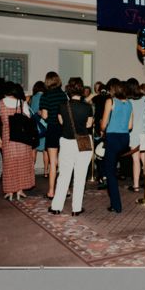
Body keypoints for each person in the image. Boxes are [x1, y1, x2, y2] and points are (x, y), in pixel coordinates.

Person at [48, 77, 93, 216]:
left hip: (67, 142)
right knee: (80, 177)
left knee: (64, 175)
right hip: (84, 141)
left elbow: (61, 122)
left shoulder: (63, 105)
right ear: (82, 90)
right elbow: (89, 125)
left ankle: (56, 206)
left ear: (68, 89)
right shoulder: (87, 107)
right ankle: (76, 209)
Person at [0, 81, 35, 201]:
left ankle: (10, 191)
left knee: (9, 164)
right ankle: (20, 190)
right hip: (22, 138)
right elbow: (28, 119)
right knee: (22, 163)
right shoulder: (22, 103)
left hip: (8, 138)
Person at [100, 80, 133, 213]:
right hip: (125, 138)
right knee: (112, 167)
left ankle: (116, 205)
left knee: (110, 172)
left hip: (113, 137)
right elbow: (130, 126)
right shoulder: (129, 103)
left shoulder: (111, 101)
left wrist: (102, 124)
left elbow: (103, 125)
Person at [39, 71, 68, 199]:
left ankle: (51, 191)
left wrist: (41, 113)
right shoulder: (63, 95)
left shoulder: (45, 96)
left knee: (53, 162)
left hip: (52, 129)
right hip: (63, 130)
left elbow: (45, 116)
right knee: (63, 162)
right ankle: (65, 190)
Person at [127, 78, 145, 192]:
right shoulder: (144, 98)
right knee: (144, 158)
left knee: (135, 159)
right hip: (144, 131)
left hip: (134, 133)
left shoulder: (128, 101)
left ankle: (136, 185)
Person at [29, 80, 49, 178]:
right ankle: (45, 172)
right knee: (46, 150)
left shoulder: (32, 98)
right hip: (44, 127)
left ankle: (31, 171)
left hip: (34, 127)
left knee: (34, 150)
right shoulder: (46, 97)